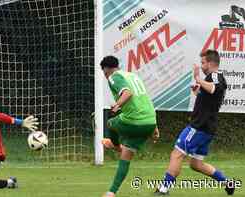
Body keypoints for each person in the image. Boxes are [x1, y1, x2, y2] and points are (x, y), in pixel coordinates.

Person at [154, 49, 234, 195]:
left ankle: (163, 189)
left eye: (203, 62)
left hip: (199, 127)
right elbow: (211, 96)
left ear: (210, 63)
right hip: (207, 128)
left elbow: (214, 89)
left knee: (176, 154)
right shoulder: (210, 78)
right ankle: (226, 181)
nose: (201, 65)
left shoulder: (215, 75)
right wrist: (198, 91)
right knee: (196, 164)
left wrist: (198, 78)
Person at [100, 56, 159, 197]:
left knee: (110, 123)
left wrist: (117, 105)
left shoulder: (114, 77)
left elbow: (128, 93)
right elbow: (144, 100)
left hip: (135, 120)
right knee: (126, 155)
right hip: (149, 122)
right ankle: (111, 193)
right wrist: (155, 127)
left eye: (103, 71)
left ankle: (115, 145)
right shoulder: (133, 76)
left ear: (106, 69)